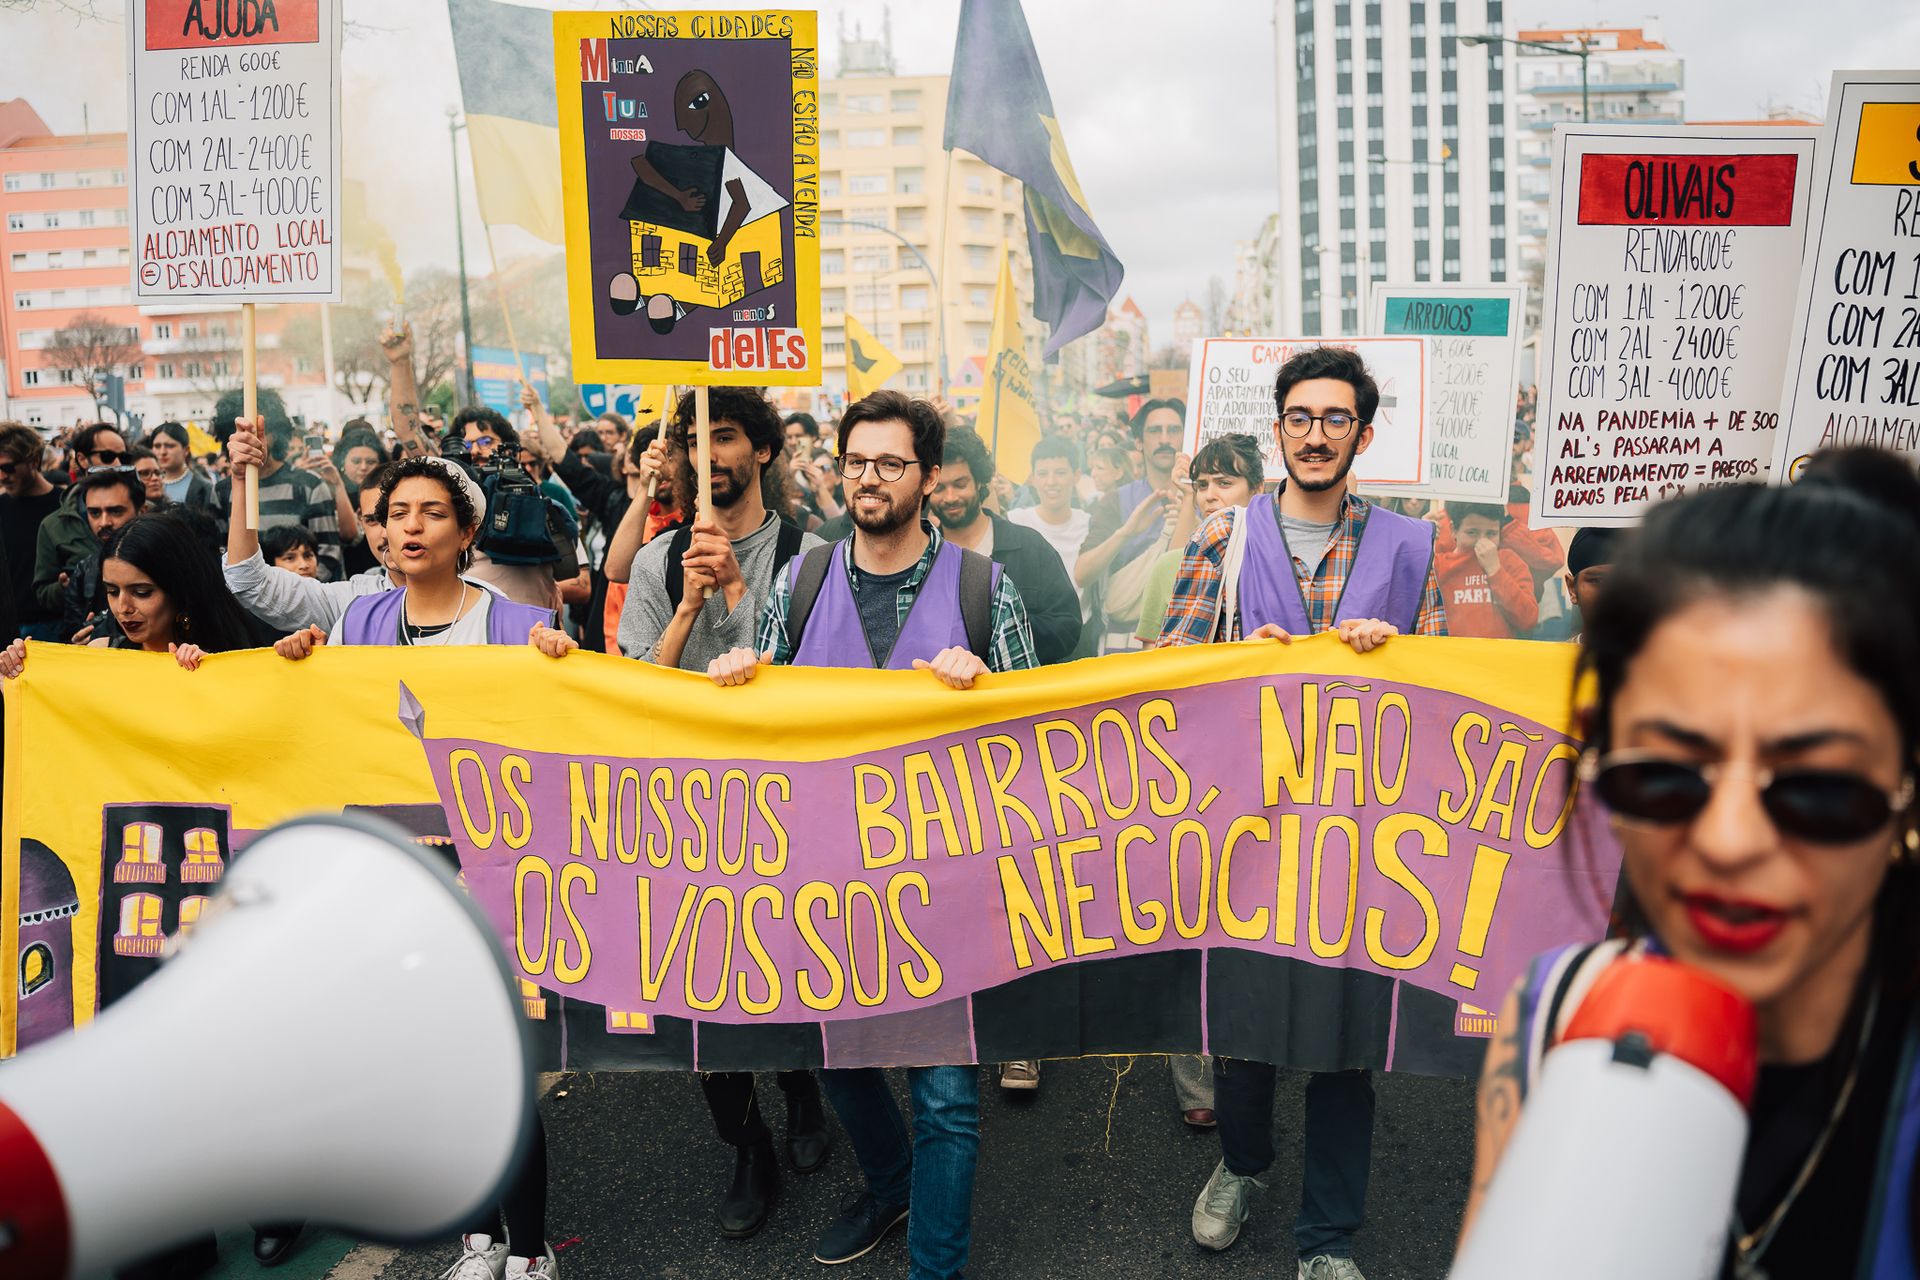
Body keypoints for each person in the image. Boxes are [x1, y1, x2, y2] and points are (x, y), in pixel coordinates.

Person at [1461, 472, 1920, 1279]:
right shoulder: (1552, 1012)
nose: (1730, 840)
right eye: (1666, 774)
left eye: (1816, 788)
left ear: (1904, 798)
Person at [706, 389, 1036, 1280]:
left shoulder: (981, 588)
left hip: (945, 890)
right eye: (856, 462)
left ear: (928, 479)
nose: (869, 480)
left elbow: (1041, 741)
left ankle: (936, 1265)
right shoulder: (800, 583)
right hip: (827, 881)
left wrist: (992, 688)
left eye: (891, 464)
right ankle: (891, 1183)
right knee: (836, 1057)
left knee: (946, 1097)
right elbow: (756, 723)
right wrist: (738, 670)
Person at [1163, 346, 1445, 1280]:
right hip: (1250, 829)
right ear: (1278, 429)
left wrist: (1397, 651)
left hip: (1362, 838)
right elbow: (1169, 671)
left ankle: (1327, 1237)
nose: (1315, 435)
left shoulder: (1410, 546)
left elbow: (1445, 690)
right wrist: (1241, 654)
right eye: (1299, 418)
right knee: (1245, 1027)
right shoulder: (1224, 537)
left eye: (1334, 420)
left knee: (1344, 1046)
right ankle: (1242, 1165)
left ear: (1362, 434)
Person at [536, 386, 832, 1241]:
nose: (714, 455)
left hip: (785, 801)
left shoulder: (813, 556)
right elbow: (639, 687)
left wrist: (741, 592)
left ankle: (803, 1087)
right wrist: (696, 606)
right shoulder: (662, 560)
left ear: (764, 452)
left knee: (791, 961)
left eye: (731, 436)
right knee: (699, 983)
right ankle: (744, 1143)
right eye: (700, 441)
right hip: (684, 810)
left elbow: (817, 677)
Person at [273, 455, 554, 1279]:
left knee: (499, 1063)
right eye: (397, 512)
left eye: (433, 512)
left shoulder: (509, 624)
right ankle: (478, 1240)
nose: (412, 526)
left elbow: (552, 740)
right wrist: (297, 664)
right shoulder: (358, 625)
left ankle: (531, 1253)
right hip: (399, 878)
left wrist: (555, 668)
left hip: (491, 876)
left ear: (467, 531)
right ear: (380, 528)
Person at [0, 511, 254, 684]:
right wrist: (18, 676)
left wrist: (212, 675)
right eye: (112, 591)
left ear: (179, 589)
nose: (123, 607)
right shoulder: (100, 654)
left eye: (141, 592)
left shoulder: (229, 660)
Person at [932, 426, 1082, 670]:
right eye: (939, 488)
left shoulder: (1029, 546)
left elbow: (1067, 625)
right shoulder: (925, 559)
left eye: (960, 484)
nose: (950, 497)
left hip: (1020, 697)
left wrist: (1001, 632)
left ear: (980, 482)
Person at [1076, 400, 1185, 652]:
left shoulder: (1206, 497)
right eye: (1155, 431)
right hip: (1126, 647)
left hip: (1187, 644)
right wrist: (1126, 533)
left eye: (1174, 430)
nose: (1165, 439)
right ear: (1139, 442)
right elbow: (1082, 573)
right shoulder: (1117, 501)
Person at [1136, 433, 1260, 649]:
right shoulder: (1168, 566)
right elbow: (1150, 660)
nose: (1209, 495)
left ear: (1256, 490)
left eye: (1224, 483)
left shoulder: (1273, 559)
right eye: (1202, 485)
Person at [210, 390, 344, 581]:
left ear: (273, 432)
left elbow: (329, 555)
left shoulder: (310, 486)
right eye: (240, 431)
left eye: (255, 430)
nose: (248, 438)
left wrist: (293, 597)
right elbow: (221, 553)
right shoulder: (222, 492)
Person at [58, 468, 147, 643]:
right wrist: (78, 644)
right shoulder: (85, 571)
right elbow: (68, 634)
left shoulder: (166, 562)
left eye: (115, 511)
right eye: (95, 513)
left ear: (142, 511)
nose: (104, 522)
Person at [1434, 501, 1539, 640]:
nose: (1482, 541)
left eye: (1491, 533)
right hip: (1452, 656)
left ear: (1500, 532)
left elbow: (1528, 619)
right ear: (1454, 529)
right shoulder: (1438, 565)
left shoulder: (1510, 562)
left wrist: (1495, 570)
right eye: (1472, 532)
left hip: (1497, 657)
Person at [0, 422, 65, 639]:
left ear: (34, 461)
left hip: (57, 624)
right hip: (10, 627)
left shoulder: (64, 505)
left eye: (8, 468)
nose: (2, 476)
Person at [1007, 437, 1092, 584]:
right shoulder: (1015, 522)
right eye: (1042, 474)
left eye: (1060, 473)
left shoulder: (1090, 525)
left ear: (1076, 476)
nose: (1051, 482)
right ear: (1033, 479)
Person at [1560, 526, 1618, 644]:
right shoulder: (1549, 660)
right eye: (1599, 581)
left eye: (1627, 581)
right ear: (1572, 588)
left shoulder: (1662, 660)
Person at [148, 422, 215, 510]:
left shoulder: (203, 488)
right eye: (157, 446)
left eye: (170, 446)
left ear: (186, 450)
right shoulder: (146, 482)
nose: (162, 452)